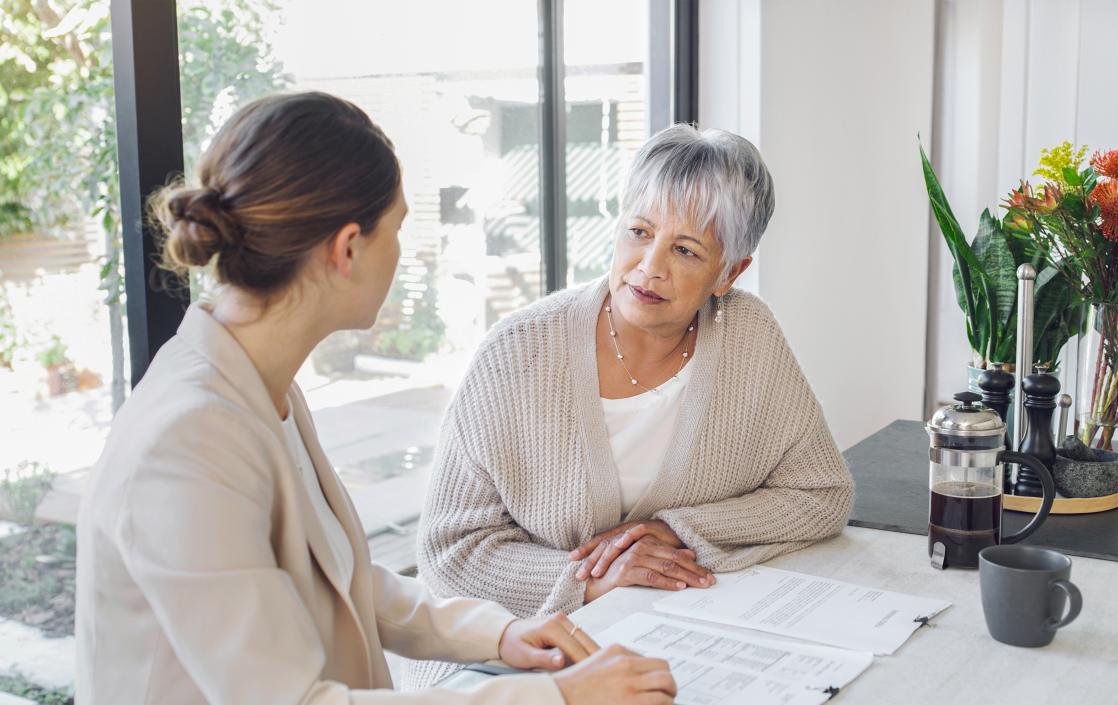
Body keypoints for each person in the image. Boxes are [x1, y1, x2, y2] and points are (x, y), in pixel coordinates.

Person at [74, 92, 675, 705]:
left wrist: (500, 634)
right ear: (348, 249)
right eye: (398, 228)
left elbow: (338, 576)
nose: (400, 251)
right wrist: (561, 697)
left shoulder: (256, 386)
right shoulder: (187, 442)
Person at [407, 124, 853, 688]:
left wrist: (675, 530)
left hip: (674, 639)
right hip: (506, 660)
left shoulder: (750, 336)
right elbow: (449, 556)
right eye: (639, 232)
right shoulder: (517, 353)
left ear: (729, 272)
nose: (650, 266)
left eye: (686, 250)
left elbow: (821, 493)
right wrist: (592, 581)